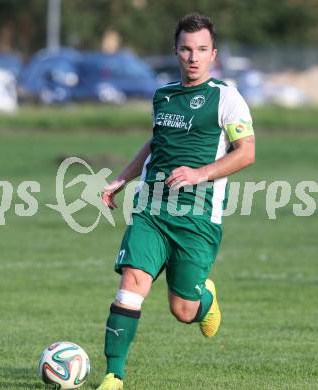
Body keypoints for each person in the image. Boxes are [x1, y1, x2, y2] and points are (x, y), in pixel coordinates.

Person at [97, 13, 255, 390]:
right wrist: (122, 178)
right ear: (176, 51)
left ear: (213, 54)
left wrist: (200, 173)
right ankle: (113, 375)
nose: (193, 57)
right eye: (186, 49)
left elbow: (246, 152)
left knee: (182, 310)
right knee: (131, 283)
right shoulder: (163, 95)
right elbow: (157, 143)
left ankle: (203, 299)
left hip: (197, 216)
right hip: (151, 207)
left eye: (201, 49)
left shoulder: (226, 97)